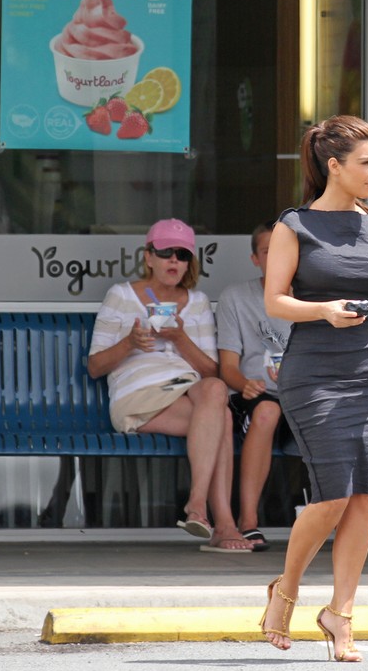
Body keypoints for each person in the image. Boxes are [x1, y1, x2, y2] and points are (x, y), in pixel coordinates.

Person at [258, 114, 368, 662]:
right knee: (331, 496)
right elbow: (275, 301)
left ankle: (341, 613)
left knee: (366, 494)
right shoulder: (295, 226)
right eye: (365, 162)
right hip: (314, 374)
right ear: (334, 166)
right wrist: (324, 310)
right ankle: (286, 587)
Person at [87, 219, 251, 553]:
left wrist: (180, 338)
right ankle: (221, 522)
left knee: (216, 392)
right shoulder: (121, 295)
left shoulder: (198, 302)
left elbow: (211, 371)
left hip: (184, 389)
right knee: (224, 419)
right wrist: (130, 343)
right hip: (137, 396)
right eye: (165, 253)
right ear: (148, 257)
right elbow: (94, 367)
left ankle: (198, 506)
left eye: (182, 254)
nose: (174, 260)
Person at [216, 223, 293, 552]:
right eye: (267, 251)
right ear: (255, 259)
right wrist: (245, 385)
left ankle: (349, 525)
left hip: (300, 394)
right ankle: (248, 521)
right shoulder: (236, 297)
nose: (276, 257)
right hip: (254, 395)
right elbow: (228, 368)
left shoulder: (309, 299)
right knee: (266, 410)